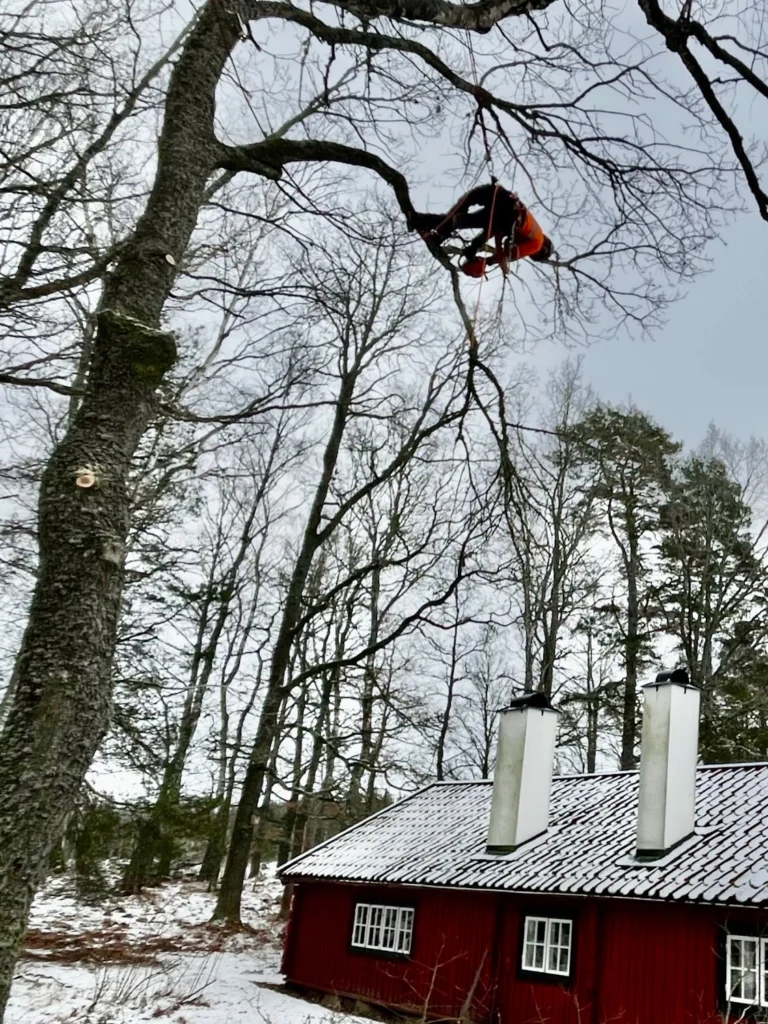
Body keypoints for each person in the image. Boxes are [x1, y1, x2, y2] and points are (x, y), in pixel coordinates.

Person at [410, 183, 553, 277]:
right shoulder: (537, 244)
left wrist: (475, 245)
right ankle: (425, 225)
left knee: (459, 218)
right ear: (540, 253)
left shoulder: (522, 228)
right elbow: (511, 254)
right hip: (506, 210)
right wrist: (489, 261)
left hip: (500, 196)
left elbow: (494, 231)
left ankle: (422, 222)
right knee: (460, 220)